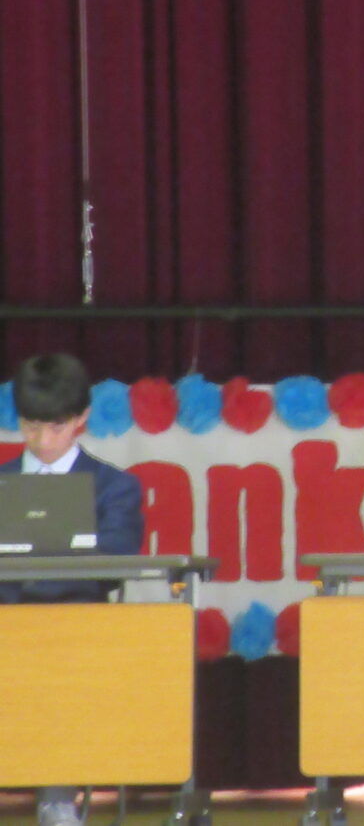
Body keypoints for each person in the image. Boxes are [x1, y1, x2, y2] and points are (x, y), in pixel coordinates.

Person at [1, 353, 144, 826]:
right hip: (5, 624)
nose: (43, 441)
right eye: (31, 426)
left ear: (82, 417)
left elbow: (116, 559)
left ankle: (57, 798)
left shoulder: (114, 487)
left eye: (56, 427)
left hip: (76, 630)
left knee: (64, 663)